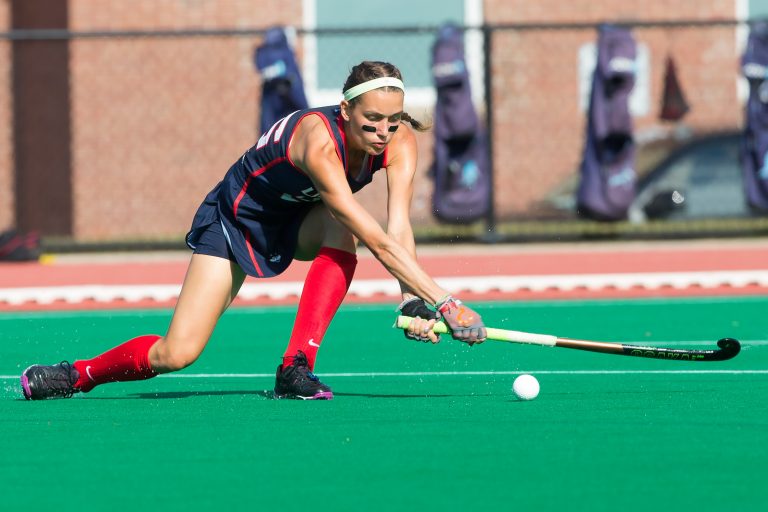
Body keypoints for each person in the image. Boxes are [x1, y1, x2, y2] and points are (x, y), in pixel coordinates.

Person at [20, 61, 487, 401]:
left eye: (392, 120)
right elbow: (376, 236)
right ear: (345, 111)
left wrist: (413, 300)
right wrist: (446, 302)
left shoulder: (399, 142)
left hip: (301, 218)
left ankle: (296, 366)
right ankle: (76, 374)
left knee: (341, 231)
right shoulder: (318, 141)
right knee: (176, 353)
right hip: (236, 220)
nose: (384, 132)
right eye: (371, 122)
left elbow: (397, 227)